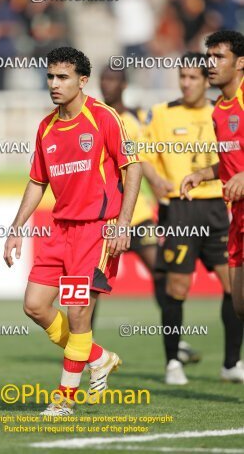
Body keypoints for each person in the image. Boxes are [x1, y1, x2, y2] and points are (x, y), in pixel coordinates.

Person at [3, 47, 142, 415]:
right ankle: (99, 357)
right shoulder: (46, 126)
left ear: (82, 81)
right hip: (58, 229)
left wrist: (123, 224)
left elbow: (134, 168)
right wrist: (16, 227)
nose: (54, 84)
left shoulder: (104, 118)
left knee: (78, 312)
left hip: (95, 231)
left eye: (62, 77)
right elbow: (37, 181)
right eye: (50, 77)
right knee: (34, 306)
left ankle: (64, 399)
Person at [142, 52, 243, 385]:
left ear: (206, 79)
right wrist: (156, 181)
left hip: (218, 208)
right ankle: (173, 361)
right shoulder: (162, 113)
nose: (186, 83)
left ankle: (231, 362)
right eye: (181, 77)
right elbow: (140, 155)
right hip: (181, 210)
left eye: (193, 77)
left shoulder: (223, 109)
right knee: (177, 286)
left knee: (234, 286)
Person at [99, 66, 201, 365]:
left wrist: (159, 189)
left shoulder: (134, 119)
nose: (108, 85)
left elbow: (142, 159)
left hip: (137, 215)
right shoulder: (93, 119)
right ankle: (84, 349)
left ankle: (175, 340)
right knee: (91, 282)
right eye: (104, 79)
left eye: (113, 79)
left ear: (124, 84)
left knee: (161, 271)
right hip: (103, 218)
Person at [181, 31, 244, 333]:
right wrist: (203, 174)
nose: (211, 64)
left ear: (241, 62)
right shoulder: (219, 109)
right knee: (240, 305)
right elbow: (232, 160)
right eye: (209, 57)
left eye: (219, 57)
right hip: (237, 216)